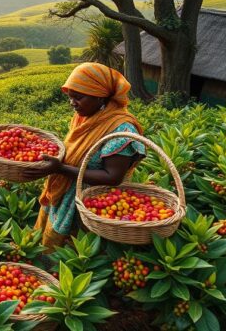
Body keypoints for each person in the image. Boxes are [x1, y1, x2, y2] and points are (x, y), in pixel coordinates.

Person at [23, 62, 145, 251]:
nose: (73, 103)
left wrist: (60, 169)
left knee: (76, 252)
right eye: (70, 97)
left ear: (100, 97)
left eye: (78, 97)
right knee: (46, 244)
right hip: (66, 190)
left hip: (91, 201)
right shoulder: (84, 115)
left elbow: (112, 177)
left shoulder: (121, 129)